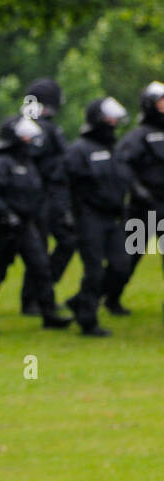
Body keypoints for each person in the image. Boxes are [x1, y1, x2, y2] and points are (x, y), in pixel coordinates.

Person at [0, 115, 72, 335]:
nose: (29, 139)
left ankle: (49, 314)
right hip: (3, 228)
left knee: (41, 267)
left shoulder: (28, 164)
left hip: (26, 226)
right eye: (25, 135)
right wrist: (6, 215)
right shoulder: (1, 164)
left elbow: (35, 194)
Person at [65, 96, 133, 337]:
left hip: (113, 218)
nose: (114, 122)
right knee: (93, 270)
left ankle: (80, 301)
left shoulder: (112, 149)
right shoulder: (78, 151)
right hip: (88, 218)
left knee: (121, 265)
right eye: (109, 118)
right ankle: (87, 320)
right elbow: (66, 186)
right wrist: (68, 215)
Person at [107, 80, 164, 316]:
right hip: (145, 207)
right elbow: (121, 166)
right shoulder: (137, 137)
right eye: (161, 102)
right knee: (127, 259)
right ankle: (109, 297)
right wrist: (137, 189)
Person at [18, 78, 73, 316]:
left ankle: (42, 293)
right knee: (39, 247)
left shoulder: (44, 127)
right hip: (42, 197)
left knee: (63, 241)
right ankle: (35, 298)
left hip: (54, 196)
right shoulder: (34, 129)